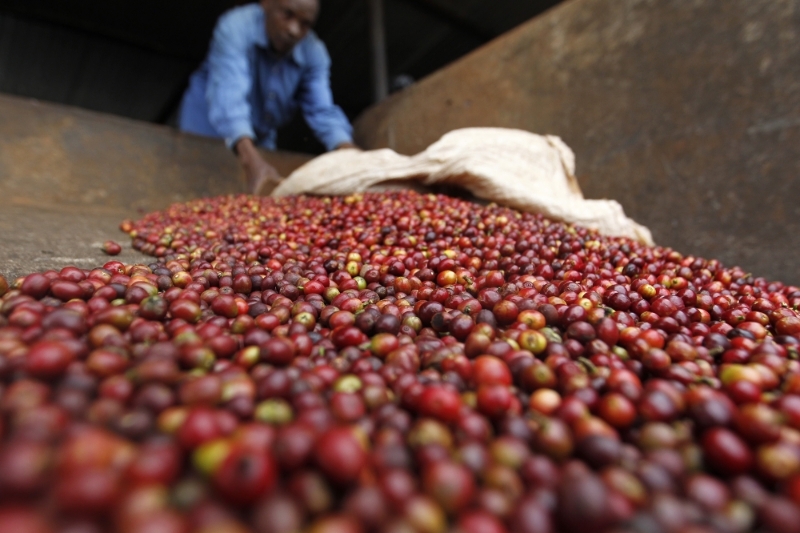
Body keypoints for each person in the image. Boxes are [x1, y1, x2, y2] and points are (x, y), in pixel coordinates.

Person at [178, 0, 356, 194]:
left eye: (305, 24)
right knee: (197, 191)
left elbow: (322, 110)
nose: (294, 30)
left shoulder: (314, 53)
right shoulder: (236, 26)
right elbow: (230, 98)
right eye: (287, 14)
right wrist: (250, 159)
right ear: (267, 4)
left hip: (260, 134)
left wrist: (352, 154)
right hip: (207, 126)